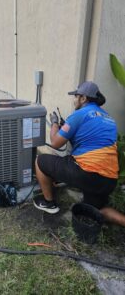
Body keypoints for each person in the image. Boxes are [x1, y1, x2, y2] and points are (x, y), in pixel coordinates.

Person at [33, 81, 125, 227]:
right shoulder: (108, 118)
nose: (74, 99)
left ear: (83, 98)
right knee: (96, 210)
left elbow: (56, 143)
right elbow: (89, 141)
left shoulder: (79, 114)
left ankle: (48, 203)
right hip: (109, 180)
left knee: (40, 161)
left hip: (87, 173)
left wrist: (55, 124)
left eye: (76, 96)